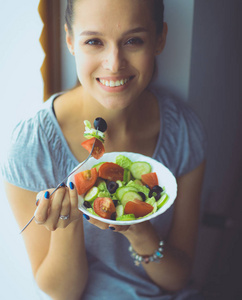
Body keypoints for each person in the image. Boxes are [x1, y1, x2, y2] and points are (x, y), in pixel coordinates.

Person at [1, 0, 207, 299]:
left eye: (133, 40)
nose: (114, 63)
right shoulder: (30, 148)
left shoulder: (183, 132)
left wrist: (139, 230)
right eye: (94, 41)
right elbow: (63, 293)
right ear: (70, 40)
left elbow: (176, 279)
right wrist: (67, 225)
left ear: (159, 38)